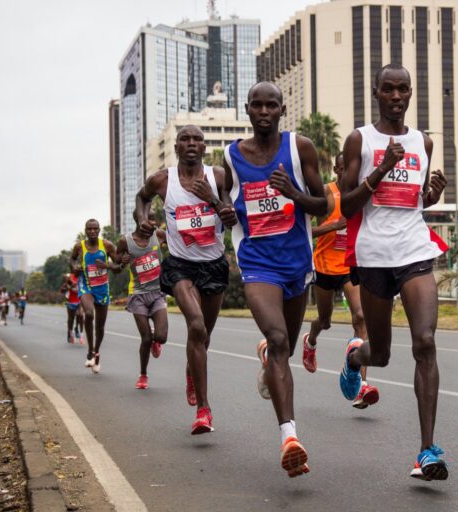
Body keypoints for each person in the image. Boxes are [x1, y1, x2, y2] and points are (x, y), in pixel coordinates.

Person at [339, 63, 449, 481]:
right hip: (373, 256)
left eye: (403, 89)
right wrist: (381, 168)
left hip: (413, 248)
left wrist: (431, 197)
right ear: (376, 93)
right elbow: (347, 206)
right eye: (389, 90)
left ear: (410, 93)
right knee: (380, 355)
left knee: (425, 343)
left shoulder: (423, 141)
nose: (397, 97)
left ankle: (427, 451)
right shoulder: (359, 140)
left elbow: (416, 201)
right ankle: (355, 357)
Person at [223, 81, 326, 477]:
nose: (264, 111)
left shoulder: (300, 149)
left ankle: (268, 357)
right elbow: (223, 201)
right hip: (257, 263)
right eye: (257, 105)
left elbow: (324, 206)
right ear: (247, 110)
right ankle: (290, 437)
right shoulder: (233, 156)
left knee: (281, 345)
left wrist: (294, 194)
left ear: (283, 110)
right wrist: (224, 213)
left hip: (297, 264)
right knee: (281, 340)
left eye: (272, 105)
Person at [135, 124, 236, 434]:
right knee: (196, 326)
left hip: (214, 264)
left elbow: (233, 217)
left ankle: (192, 372)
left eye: (198, 140)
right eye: (185, 139)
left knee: (203, 336)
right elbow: (141, 199)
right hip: (180, 266)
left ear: (204, 148)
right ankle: (204, 411)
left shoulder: (218, 177)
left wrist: (215, 201)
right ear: (176, 147)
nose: (192, 143)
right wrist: (143, 220)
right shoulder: (162, 181)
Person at [304, 152, 379, 409]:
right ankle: (310, 340)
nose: (348, 173)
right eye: (343, 168)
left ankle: (360, 385)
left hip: (351, 265)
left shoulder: (362, 193)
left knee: (360, 317)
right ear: (336, 169)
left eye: (353, 168)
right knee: (324, 321)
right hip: (325, 266)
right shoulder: (326, 192)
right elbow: (304, 231)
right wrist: (331, 226)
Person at [115, 212, 169, 390]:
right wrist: (121, 262)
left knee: (161, 337)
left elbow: (177, 247)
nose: (152, 223)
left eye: (154, 219)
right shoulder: (125, 242)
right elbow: (116, 267)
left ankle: (156, 341)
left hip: (157, 292)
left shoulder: (159, 235)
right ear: (138, 221)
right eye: (148, 219)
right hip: (137, 294)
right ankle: (143, 374)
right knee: (145, 338)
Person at [70, 219, 122, 373]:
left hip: (102, 288)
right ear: (85, 231)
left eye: (95, 229)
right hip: (86, 285)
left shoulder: (106, 245)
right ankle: (90, 351)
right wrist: (75, 268)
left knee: (100, 326)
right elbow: (72, 259)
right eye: (89, 229)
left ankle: (96, 352)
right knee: (87, 313)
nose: (92, 231)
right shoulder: (80, 246)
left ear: (99, 230)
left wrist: (107, 265)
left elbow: (118, 267)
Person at [60, 272, 84, 344]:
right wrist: (68, 287)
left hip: (80, 300)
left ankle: (80, 333)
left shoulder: (82, 277)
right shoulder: (69, 278)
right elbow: (62, 290)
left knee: (80, 315)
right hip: (70, 301)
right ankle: (70, 332)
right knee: (71, 318)